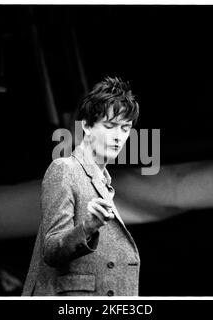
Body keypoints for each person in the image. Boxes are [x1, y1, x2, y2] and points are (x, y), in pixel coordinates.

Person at [22, 76, 141, 296]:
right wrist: (87, 227)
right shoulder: (65, 168)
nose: (118, 136)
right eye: (110, 126)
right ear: (86, 126)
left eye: (125, 128)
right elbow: (51, 249)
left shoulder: (103, 180)